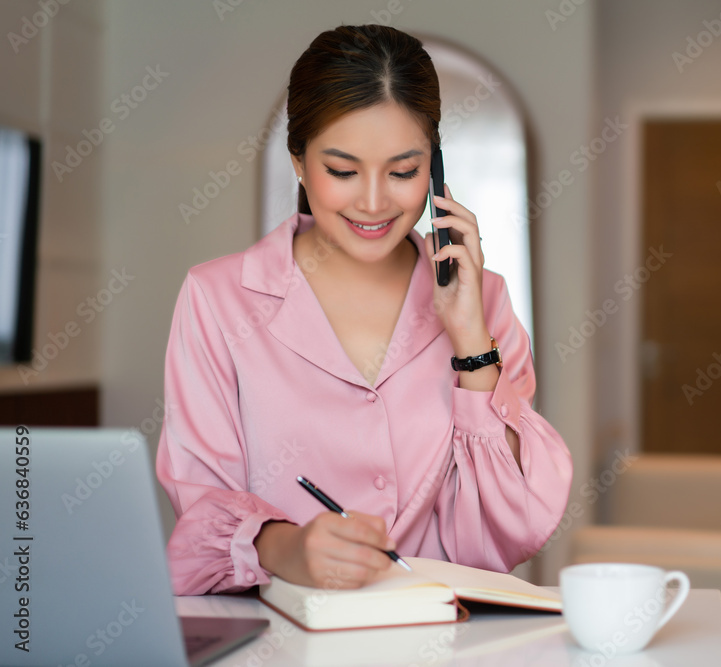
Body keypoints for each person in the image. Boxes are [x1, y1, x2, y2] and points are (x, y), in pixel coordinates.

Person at [155, 24, 573, 596]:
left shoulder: (485, 301)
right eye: (342, 171)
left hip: (442, 641)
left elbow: (510, 529)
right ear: (299, 162)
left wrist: (471, 340)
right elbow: (202, 505)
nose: (374, 202)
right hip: (281, 639)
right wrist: (287, 547)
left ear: (436, 169)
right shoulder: (217, 299)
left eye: (404, 172)